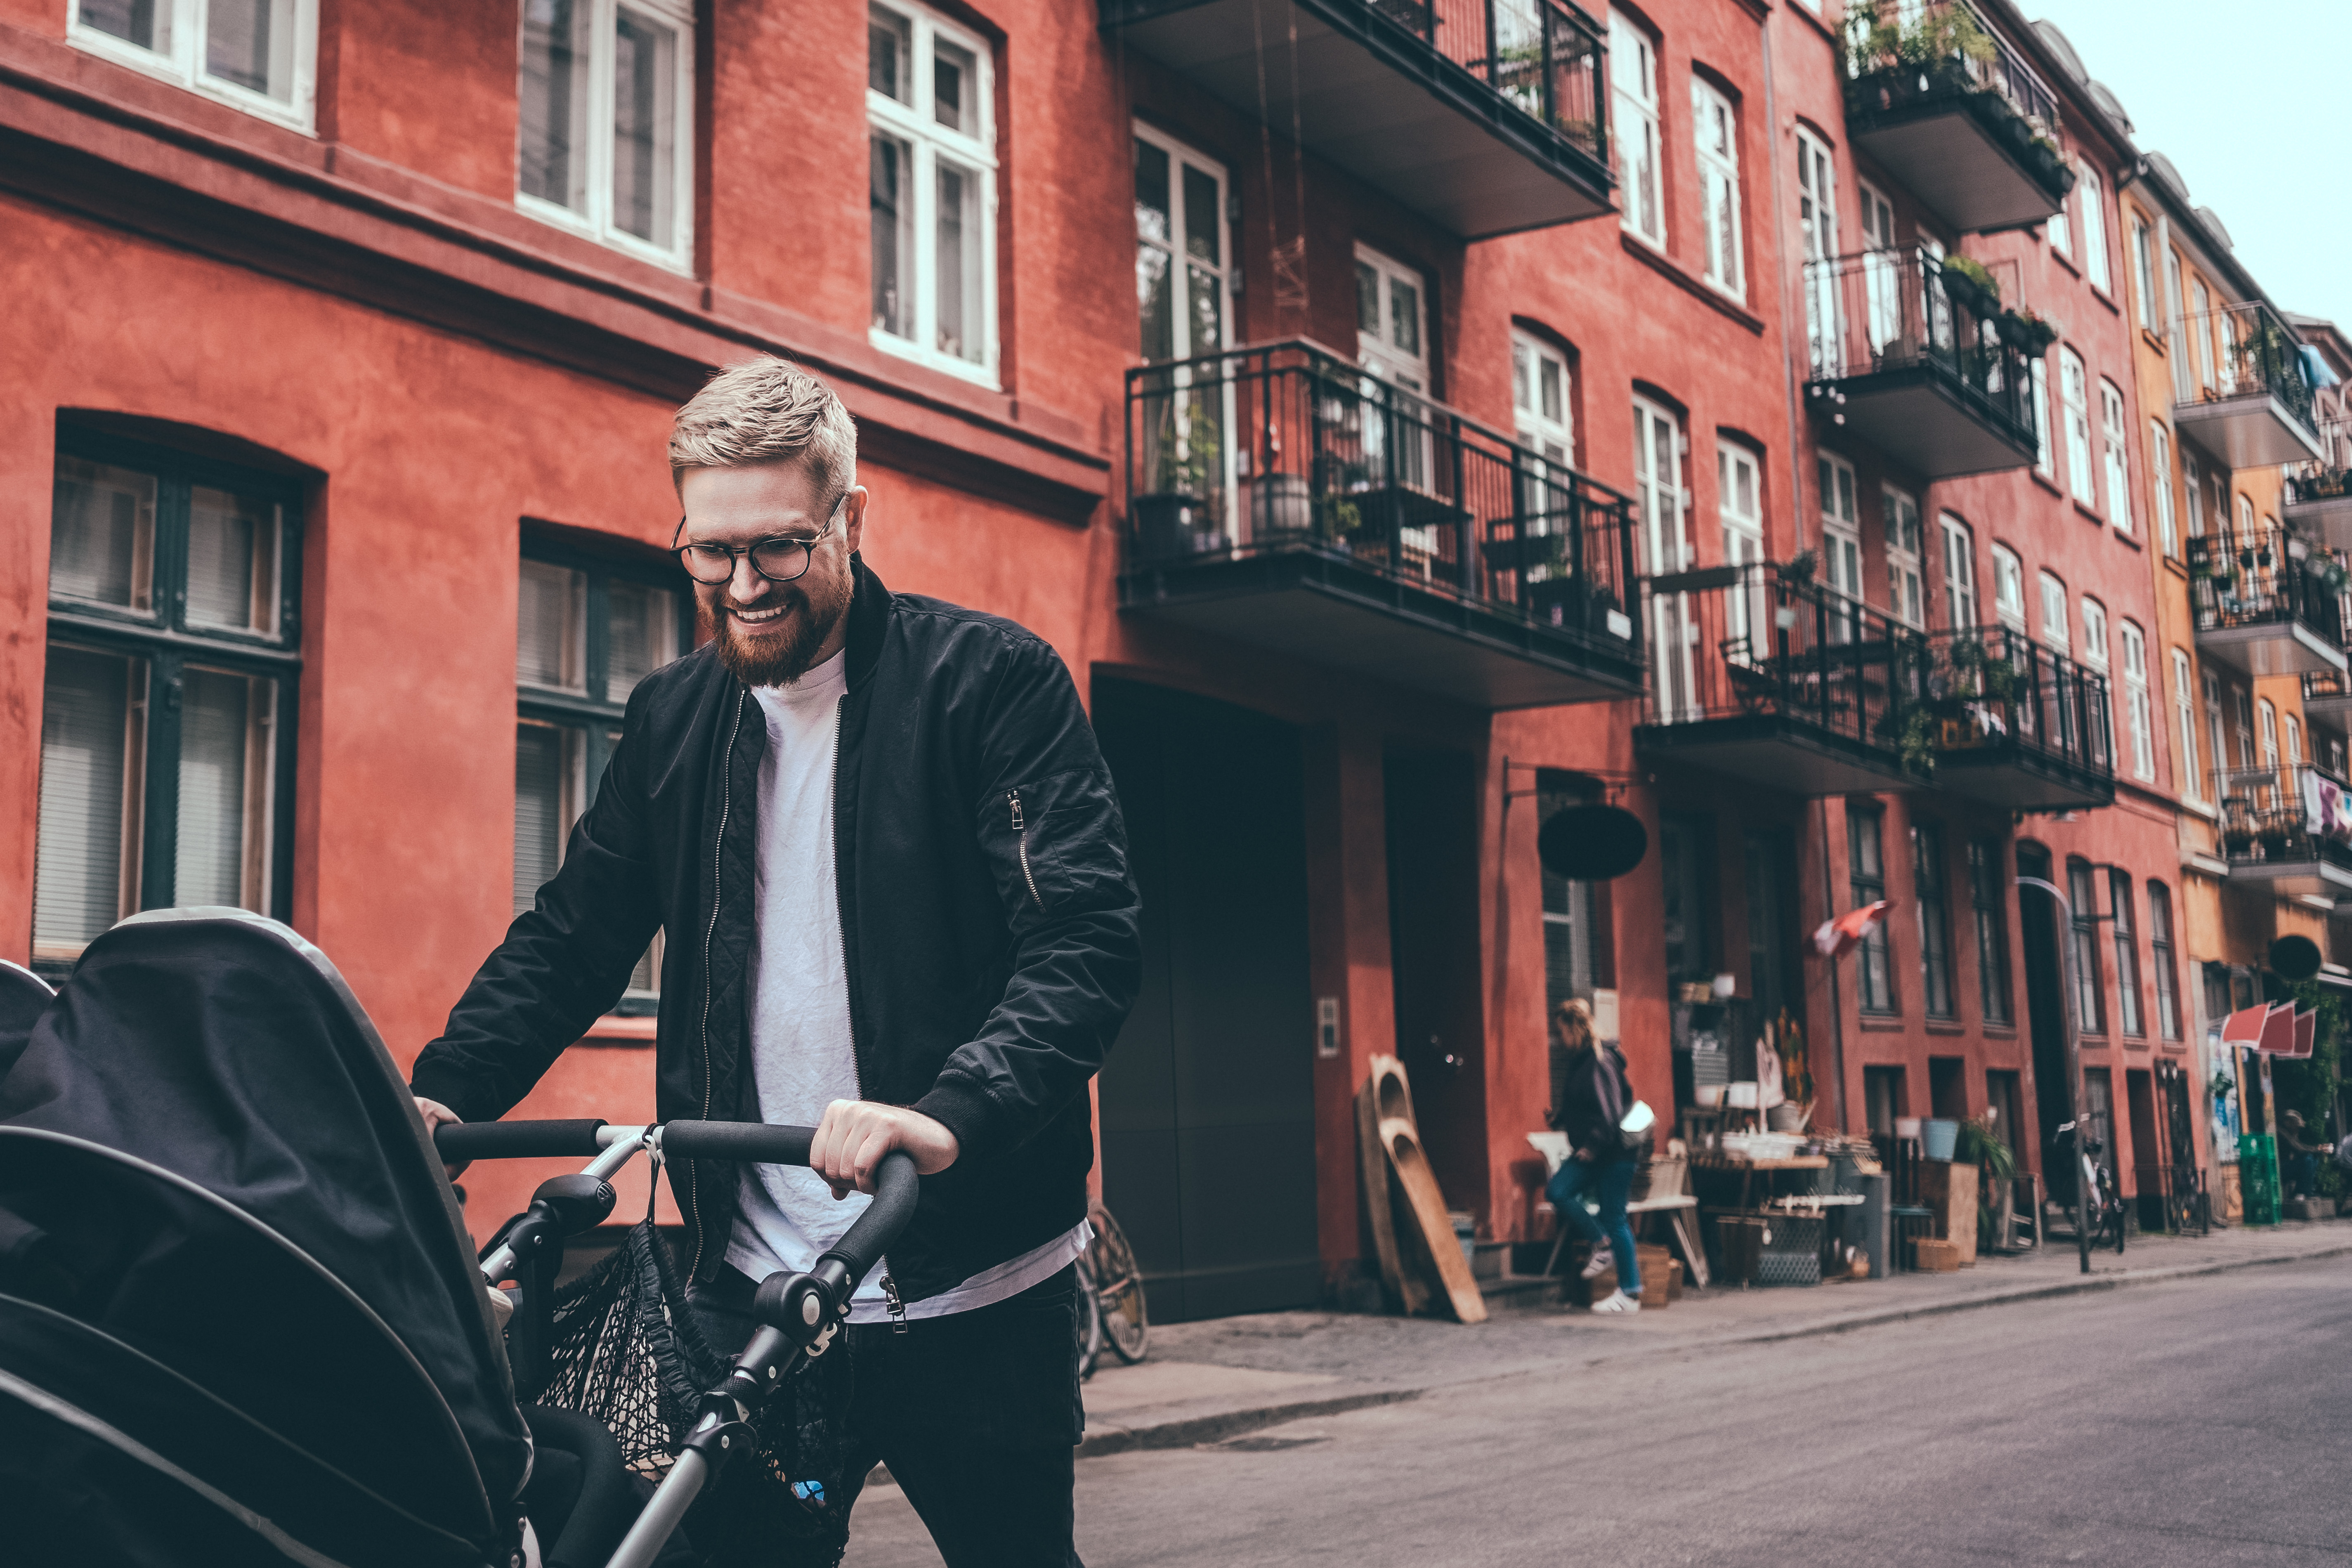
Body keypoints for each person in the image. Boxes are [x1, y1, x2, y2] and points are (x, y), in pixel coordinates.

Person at [409, 356, 1141, 1566]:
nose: (743, 584)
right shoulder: (674, 719)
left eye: (781, 547)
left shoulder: (986, 687)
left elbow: (1083, 943)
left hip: (973, 1284)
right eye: (711, 552)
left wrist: (948, 1113)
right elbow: (572, 936)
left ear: (851, 517)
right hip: (747, 1287)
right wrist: (441, 1094)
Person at [1545, 998, 1642, 1314]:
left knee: (1615, 1217)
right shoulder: (1583, 1060)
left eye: (1562, 1032)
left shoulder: (1600, 1061)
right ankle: (1601, 1244)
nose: (1559, 1040)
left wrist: (1593, 1146)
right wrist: (1560, 1119)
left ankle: (1629, 1292)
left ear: (1575, 1028)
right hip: (1596, 1151)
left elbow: (1610, 1113)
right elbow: (1586, 1106)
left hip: (1612, 1153)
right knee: (1558, 1191)